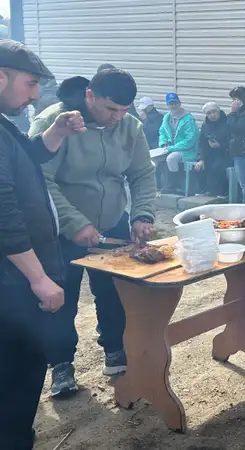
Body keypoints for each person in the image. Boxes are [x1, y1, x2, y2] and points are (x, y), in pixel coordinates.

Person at [29, 68, 158, 398]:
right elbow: (40, 181)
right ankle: (61, 364)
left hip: (113, 221)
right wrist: (75, 224)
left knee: (114, 293)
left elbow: (142, 173)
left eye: (124, 112)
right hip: (60, 229)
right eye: (110, 109)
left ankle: (115, 350)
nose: (116, 119)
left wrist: (142, 216)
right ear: (90, 96)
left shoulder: (130, 127)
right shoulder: (57, 122)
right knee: (63, 298)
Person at [0, 39, 85, 449]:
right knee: (14, 382)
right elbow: (4, 215)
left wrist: (58, 130)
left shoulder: (4, 127)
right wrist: (38, 278)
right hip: (12, 286)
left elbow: (30, 155)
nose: (36, 95)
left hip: (17, 281)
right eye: (31, 84)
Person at [157, 92, 199, 193]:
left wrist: (172, 148)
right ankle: (158, 185)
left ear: (179, 103)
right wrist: (163, 143)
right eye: (171, 104)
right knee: (154, 159)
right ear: (167, 105)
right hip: (170, 147)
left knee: (171, 158)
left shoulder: (188, 119)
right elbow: (162, 132)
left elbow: (190, 140)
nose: (173, 106)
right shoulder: (166, 117)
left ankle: (173, 185)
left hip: (186, 150)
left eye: (175, 103)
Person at [195, 101, 231, 198]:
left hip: (226, 153)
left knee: (216, 166)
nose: (212, 115)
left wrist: (220, 145)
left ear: (219, 111)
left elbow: (233, 142)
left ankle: (221, 192)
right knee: (199, 166)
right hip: (210, 153)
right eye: (209, 113)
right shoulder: (205, 125)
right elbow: (201, 143)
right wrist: (201, 159)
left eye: (214, 112)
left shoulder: (228, 123)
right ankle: (204, 189)